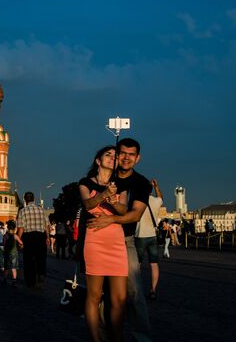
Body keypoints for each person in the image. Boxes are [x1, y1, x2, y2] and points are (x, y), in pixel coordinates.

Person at [87, 138, 153, 342]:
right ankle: (105, 336)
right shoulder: (105, 175)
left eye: (131, 154)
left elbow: (135, 214)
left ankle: (141, 338)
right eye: (122, 153)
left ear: (138, 158)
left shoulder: (141, 183)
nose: (125, 158)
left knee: (133, 292)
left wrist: (111, 219)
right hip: (97, 240)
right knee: (101, 295)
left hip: (125, 241)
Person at [79, 146, 129, 342]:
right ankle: (95, 339)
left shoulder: (121, 186)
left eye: (115, 156)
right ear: (98, 161)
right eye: (108, 155)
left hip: (116, 241)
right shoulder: (85, 183)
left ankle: (116, 336)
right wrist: (102, 195)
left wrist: (113, 199)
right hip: (95, 240)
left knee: (119, 298)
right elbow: (88, 204)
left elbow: (123, 211)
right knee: (94, 295)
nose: (112, 158)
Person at [135, 179, 164, 300]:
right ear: (151, 190)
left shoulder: (137, 201)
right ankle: (153, 290)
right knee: (154, 264)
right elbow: (160, 197)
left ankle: (136, 289)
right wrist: (157, 186)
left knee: (137, 265)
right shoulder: (156, 201)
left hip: (140, 235)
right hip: (152, 236)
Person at [16, 192, 49, 287]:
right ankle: (41, 273)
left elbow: (21, 228)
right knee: (41, 257)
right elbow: (46, 225)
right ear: (34, 199)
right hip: (40, 236)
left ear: (25, 200)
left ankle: (31, 280)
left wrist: (19, 240)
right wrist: (47, 237)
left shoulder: (22, 211)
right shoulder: (41, 210)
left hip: (28, 237)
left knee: (29, 259)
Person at [2, 220, 23, 287]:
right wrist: (20, 247)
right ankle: (14, 281)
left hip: (7, 253)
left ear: (7, 228)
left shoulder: (5, 236)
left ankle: (5, 279)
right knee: (14, 268)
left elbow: (3, 244)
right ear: (14, 228)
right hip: (14, 254)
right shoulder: (15, 236)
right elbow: (21, 243)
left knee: (6, 268)